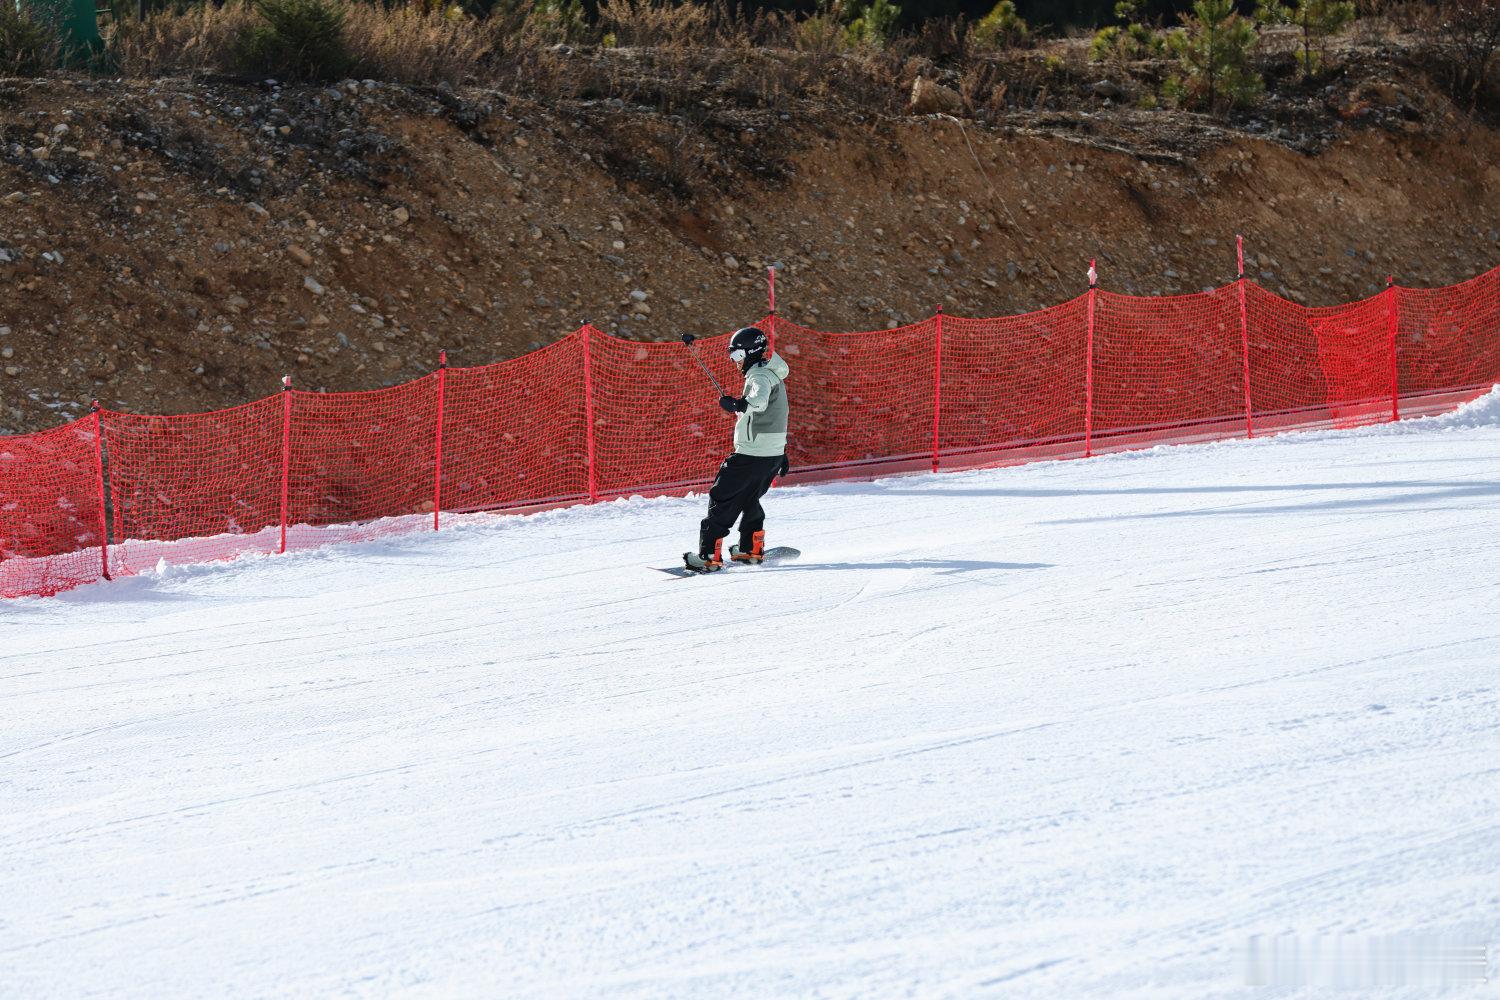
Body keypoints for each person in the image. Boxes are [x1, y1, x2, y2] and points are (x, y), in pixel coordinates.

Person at [684, 326, 790, 573]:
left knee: (722, 496)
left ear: (750, 353)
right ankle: (749, 548)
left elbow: (759, 401)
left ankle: (709, 556)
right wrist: (781, 452)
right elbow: (776, 413)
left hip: (751, 453)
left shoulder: (759, 377)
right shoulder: (771, 373)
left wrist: (738, 404)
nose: (735, 362)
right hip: (769, 454)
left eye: (737, 356)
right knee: (750, 498)